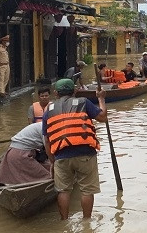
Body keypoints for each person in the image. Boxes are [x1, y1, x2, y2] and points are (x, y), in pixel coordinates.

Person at [43, 78, 107, 220]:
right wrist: (101, 98)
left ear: (55, 93)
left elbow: (46, 140)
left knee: (63, 190)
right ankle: (86, 222)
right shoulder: (83, 102)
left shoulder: (49, 110)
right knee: (86, 190)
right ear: (75, 91)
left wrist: (52, 161)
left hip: (61, 155)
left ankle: (64, 221)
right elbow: (103, 117)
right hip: (86, 154)